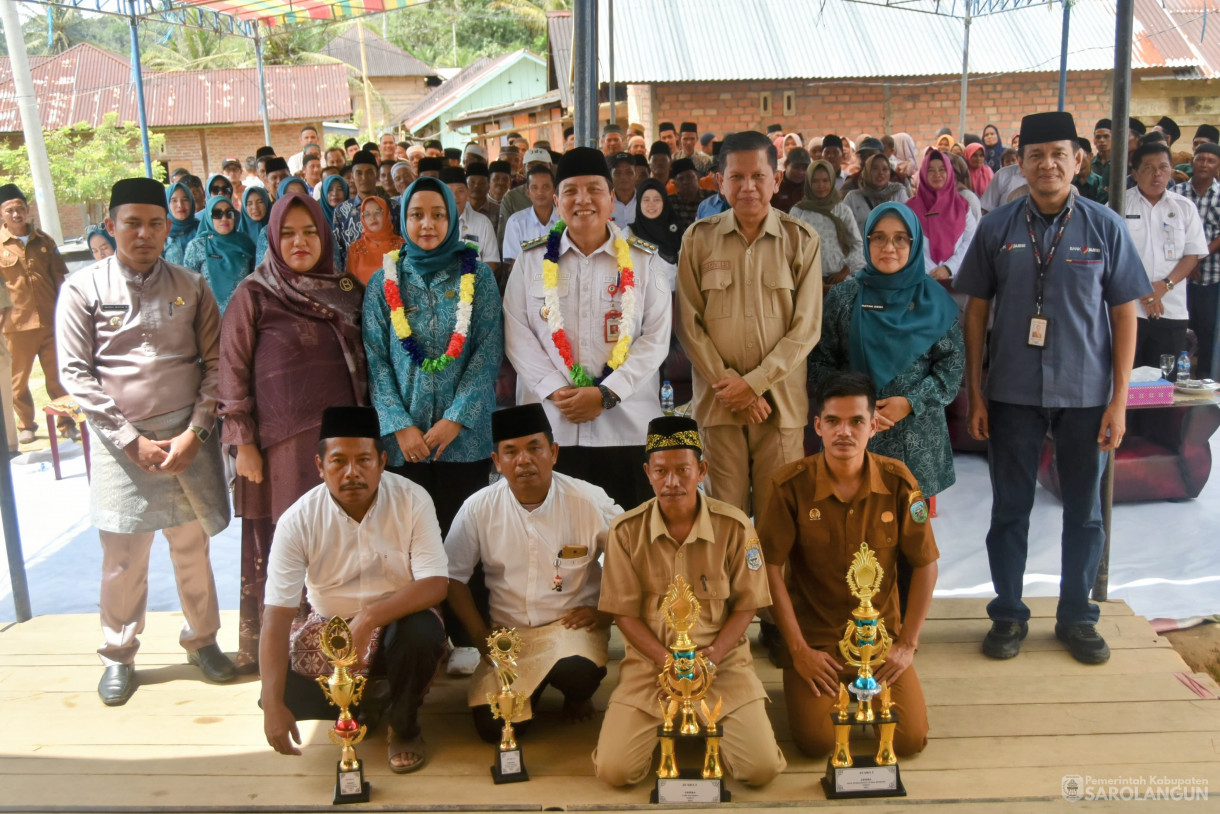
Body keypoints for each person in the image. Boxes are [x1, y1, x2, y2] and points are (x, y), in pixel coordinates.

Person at [955, 112, 1152, 666]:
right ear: (1020, 162)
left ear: (1078, 160)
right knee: (1009, 508)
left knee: (1085, 512)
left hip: (1086, 394)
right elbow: (976, 312)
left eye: (1058, 154)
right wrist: (976, 389)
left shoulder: (1104, 226)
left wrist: (1119, 400)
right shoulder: (996, 228)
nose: (1047, 165)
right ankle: (1009, 614)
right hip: (1013, 391)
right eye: (1036, 155)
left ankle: (1077, 617)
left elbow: (1125, 313)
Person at [56, 177, 235, 706]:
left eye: (155, 223)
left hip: (186, 440)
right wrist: (129, 441)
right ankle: (118, 653)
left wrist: (196, 433)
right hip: (120, 446)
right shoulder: (82, 289)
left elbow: (216, 364)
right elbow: (75, 373)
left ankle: (202, 641)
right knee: (123, 557)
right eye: (132, 223)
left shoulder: (192, 285)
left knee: (190, 548)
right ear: (110, 226)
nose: (145, 234)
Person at [591, 416, 786, 787]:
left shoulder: (735, 526)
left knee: (759, 771)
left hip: (722, 664)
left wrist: (712, 657)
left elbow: (748, 604)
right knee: (615, 772)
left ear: (702, 470)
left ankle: (705, 720)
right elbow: (624, 614)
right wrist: (667, 661)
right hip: (652, 667)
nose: (672, 482)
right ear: (647, 472)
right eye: (661, 471)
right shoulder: (625, 532)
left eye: (683, 469)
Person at [220, 193, 368, 671]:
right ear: (272, 237)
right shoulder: (254, 293)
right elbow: (232, 370)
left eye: (309, 232)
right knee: (290, 542)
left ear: (324, 236)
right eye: (287, 233)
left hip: (343, 445)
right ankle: (286, 657)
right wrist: (244, 443)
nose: (299, 242)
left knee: (340, 540)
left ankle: (343, 650)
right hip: (281, 449)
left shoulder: (346, 288)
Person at [758, 371, 937, 759]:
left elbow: (925, 563)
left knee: (908, 741)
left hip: (880, 642)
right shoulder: (789, 486)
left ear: (874, 425)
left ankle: (869, 691)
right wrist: (797, 649)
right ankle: (809, 686)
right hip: (816, 643)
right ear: (817, 425)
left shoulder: (899, 481)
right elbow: (768, 567)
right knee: (817, 743)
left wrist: (906, 644)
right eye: (834, 421)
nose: (845, 432)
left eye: (857, 421)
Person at [259, 405, 448, 773]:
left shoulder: (412, 499)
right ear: (319, 465)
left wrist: (369, 618)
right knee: (286, 696)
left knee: (421, 635)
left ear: (382, 460)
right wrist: (271, 705)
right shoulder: (297, 520)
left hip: (399, 617)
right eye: (338, 461)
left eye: (363, 460)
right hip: (331, 627)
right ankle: (368, 703)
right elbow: (276, 617)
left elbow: (435, 584)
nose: (352, 472)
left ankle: (404, 726)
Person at [503, 147, 671, 510]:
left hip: (626, 428)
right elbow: (517, 333)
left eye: (594, 189)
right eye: (571, 191)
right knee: (559, 546)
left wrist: (607, 393)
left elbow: (656, 339)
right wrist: (557, 391)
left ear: (611, 199)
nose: (583, 200)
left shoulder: (644, 261)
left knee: (626, 541)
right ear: (557, 200)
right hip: (552, 430)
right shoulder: (531, 260)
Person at [446, 404, 619, 742]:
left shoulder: (588, 500)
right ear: (497, 462)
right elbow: (452, 578)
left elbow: (632, 556)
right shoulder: (478, 508)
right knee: (494, 728)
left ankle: (576, 695)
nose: (523, 460)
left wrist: (606, 613)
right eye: (511, 452)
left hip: (568, 630)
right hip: (507, 637)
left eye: (534, 448)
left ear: (553, 453)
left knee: (577, 673)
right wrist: (481, 637)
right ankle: (526, 696)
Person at [677, 131, 822, 519]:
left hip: (780, 406)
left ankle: (775, 585)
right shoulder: (698, 240)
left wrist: (754, 384)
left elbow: (806, 329)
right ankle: (733, 584)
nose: (747, 187)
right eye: (736, 177)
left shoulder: (801, 240)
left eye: (758, 176)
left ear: (776, 181)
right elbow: (689, 326)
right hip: (719, 406)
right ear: (719, 182)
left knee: (779, 523)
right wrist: (732, 387)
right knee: (727, 520)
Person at [362, 176, 502, 536]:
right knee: (409, 545)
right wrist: (400, 425)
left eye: (438, 215)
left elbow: (488, 352)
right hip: (404, 445)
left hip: (465, 441)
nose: (427, 224)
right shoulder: (384, 282)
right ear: (404, 220)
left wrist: (456, 419)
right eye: (417, 215)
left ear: (453, 219)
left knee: (464, 545)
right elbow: (376, 360)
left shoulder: (479, 276)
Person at [808, 202, 964, 508]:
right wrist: (854, 405)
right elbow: (820, 362)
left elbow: (951, 369)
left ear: (914, 243)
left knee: (911, 543)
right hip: (851, 434)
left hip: (916, 439)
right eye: (877, 237)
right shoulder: (844, 296)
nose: (888, 247)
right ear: (866, 242)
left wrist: (910, 402)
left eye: (900, 238)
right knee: (854, 537)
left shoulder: (935, 301)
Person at [0, 184, 73, 445]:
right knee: (17, 382)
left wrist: (67, 313)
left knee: (58, 376)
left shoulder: (44, 241)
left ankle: (66, 422)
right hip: (16, 324)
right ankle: (26, 425)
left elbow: (59, 278)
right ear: (2, 215)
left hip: (51, 321)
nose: (17, 214)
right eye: (10, 210)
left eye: (20, 208)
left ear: (28, 210)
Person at [1124, 142, 1208, 369]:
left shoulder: (1184, 207)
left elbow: (1193, 254)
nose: (1157, 174)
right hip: (1128, 311)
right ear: (1134, 172)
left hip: (1171, 309)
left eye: (1163, 167)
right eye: (1149, 168)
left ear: (1171, 170)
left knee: (1164, 386)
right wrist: (1145, 290)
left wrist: (1164, 286)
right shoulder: (1118, 205)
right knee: (1126, 382)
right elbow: (1113, 257)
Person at [1174, 141, 1220, 378]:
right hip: (1177, 277)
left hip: (1210, 276)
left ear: (1218, 166)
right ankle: (1176, 377)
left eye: (1210, 160)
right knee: (1179, 330)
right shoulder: (1177, 193)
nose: (1204, 164)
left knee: (1207, 331)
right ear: (1192, 162)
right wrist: (1187, 262)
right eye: (1200, 159)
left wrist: (1197, 258)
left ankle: (1204, 379)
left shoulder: (1219, 195)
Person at [789, 159, 865, 290]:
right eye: (815, 181)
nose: (820, 186)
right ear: (808, 183)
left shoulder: (842, 210)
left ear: (832, 180)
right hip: (806, 283)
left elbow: (857, 244)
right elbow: (790, 247)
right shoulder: (798, 212)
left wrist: (845, 271)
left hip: (839, 282)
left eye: (825, 180)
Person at [907, 150, 978, 287]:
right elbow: (907, 244)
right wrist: (929, 272)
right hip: (921, 281)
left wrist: (949, 268)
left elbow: (971, 240)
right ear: (923, 174)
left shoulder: (963, 206)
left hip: (956, 281)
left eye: (942, 169)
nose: (937, 174)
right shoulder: (909, 208)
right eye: (931, 170)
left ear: (950, 173)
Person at [182, 196, 255, 315]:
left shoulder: (245, 243)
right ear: (209, 217)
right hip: (208, 319)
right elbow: (188, 286)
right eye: (217, 214)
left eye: (229, 213)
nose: (224, 218)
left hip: (243, 316)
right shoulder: (197, 246)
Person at [333, 151, 399, 275]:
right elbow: (338, 251)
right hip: (355, 279)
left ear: (377, 175)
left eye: (369, 172)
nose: (364, 178)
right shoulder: (342, 211)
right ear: (352, 176)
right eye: (358, 173)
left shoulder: (394, 208)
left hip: (391, 278)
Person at [500, 164, 558, 285]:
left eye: (546, 187)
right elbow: (516, 265)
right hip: (527, 286)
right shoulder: (516, 222)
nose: (540, 192)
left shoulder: (565, 220)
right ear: (528, 192)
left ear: (554, 190)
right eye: (534, 188)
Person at [440, 167, 499, 275]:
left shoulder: (483, 223)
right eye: (448, 191)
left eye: (460, 191)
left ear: (467, 193)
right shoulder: (430, 224)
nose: (454, 197)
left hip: (473, 287)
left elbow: (492, 262)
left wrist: (474, 282)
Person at [627, 179, 682, 291]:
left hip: (673, 302)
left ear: (665, 202)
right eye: (646, 200)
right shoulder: (628, 235)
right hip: (639, 301)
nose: (651, 204)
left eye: (657, 199)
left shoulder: (678, 233)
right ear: (639, 203)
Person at [843, 152, 911, 235]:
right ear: (867, 171)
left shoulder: (898, 193)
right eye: (875, 168)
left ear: (890, 172)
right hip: (862, 247)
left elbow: (908, 223)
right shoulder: (853, 197)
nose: (881, 173)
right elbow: (843, 229)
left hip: (891, 246)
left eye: (885, 169)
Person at [496, 148, 552, 249]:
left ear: (550, 167)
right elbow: (504, 240)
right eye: (531, 166)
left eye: (542, 166)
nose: (537, 170)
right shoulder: (511, 198)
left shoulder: (560, 194)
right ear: (524, 169)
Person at [344, 196, 402, 287]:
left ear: (386, 214)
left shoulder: (401, 245)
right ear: (362, 218)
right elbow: (351, 285)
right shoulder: (355, 248)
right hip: (363, 300)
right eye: (367, 214)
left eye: (378, 212)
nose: (372, 218)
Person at [667, 158, 710, 233]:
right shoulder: (669, 203)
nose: (686, 182)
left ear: (698, 177)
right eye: (681, 179)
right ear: (675, 184)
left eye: (689, 176)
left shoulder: (711, 198)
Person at [163, 180, 199, 265]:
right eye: (174, 200)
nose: (180, 205)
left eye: (185, 199)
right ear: (166, 204)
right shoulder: (161, 234)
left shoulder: (202, 229)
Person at [771, 147, 811, 213]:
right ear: (786, 164)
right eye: (796, 167)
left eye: (805, 168)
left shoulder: (811, 187)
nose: (800, 172)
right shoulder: (775, 184)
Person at [240, 187, 272, 265]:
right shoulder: (238, 236)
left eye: (260, 202)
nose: (255, 207)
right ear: (244, 207)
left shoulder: (275, 230)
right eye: (249, 204)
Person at [1073, 138, 1108, 204]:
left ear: (1091, 156)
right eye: (1073, 158)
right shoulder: (1068, 183)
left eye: (1080, 157)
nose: (1076, 162)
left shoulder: (1100, 183)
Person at [609, 152, 637, 231]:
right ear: (610, 176)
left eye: (629, 172)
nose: (623, 177)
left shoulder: (645, 201)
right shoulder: (604, 204)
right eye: (617, 173)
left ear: (636, 175)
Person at [465, 162, 497, 231]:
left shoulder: (498, 211)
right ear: (465, 186)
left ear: (489, 186)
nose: (476, 186)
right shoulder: (459, 210)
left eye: (482, 183)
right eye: (472, 182)